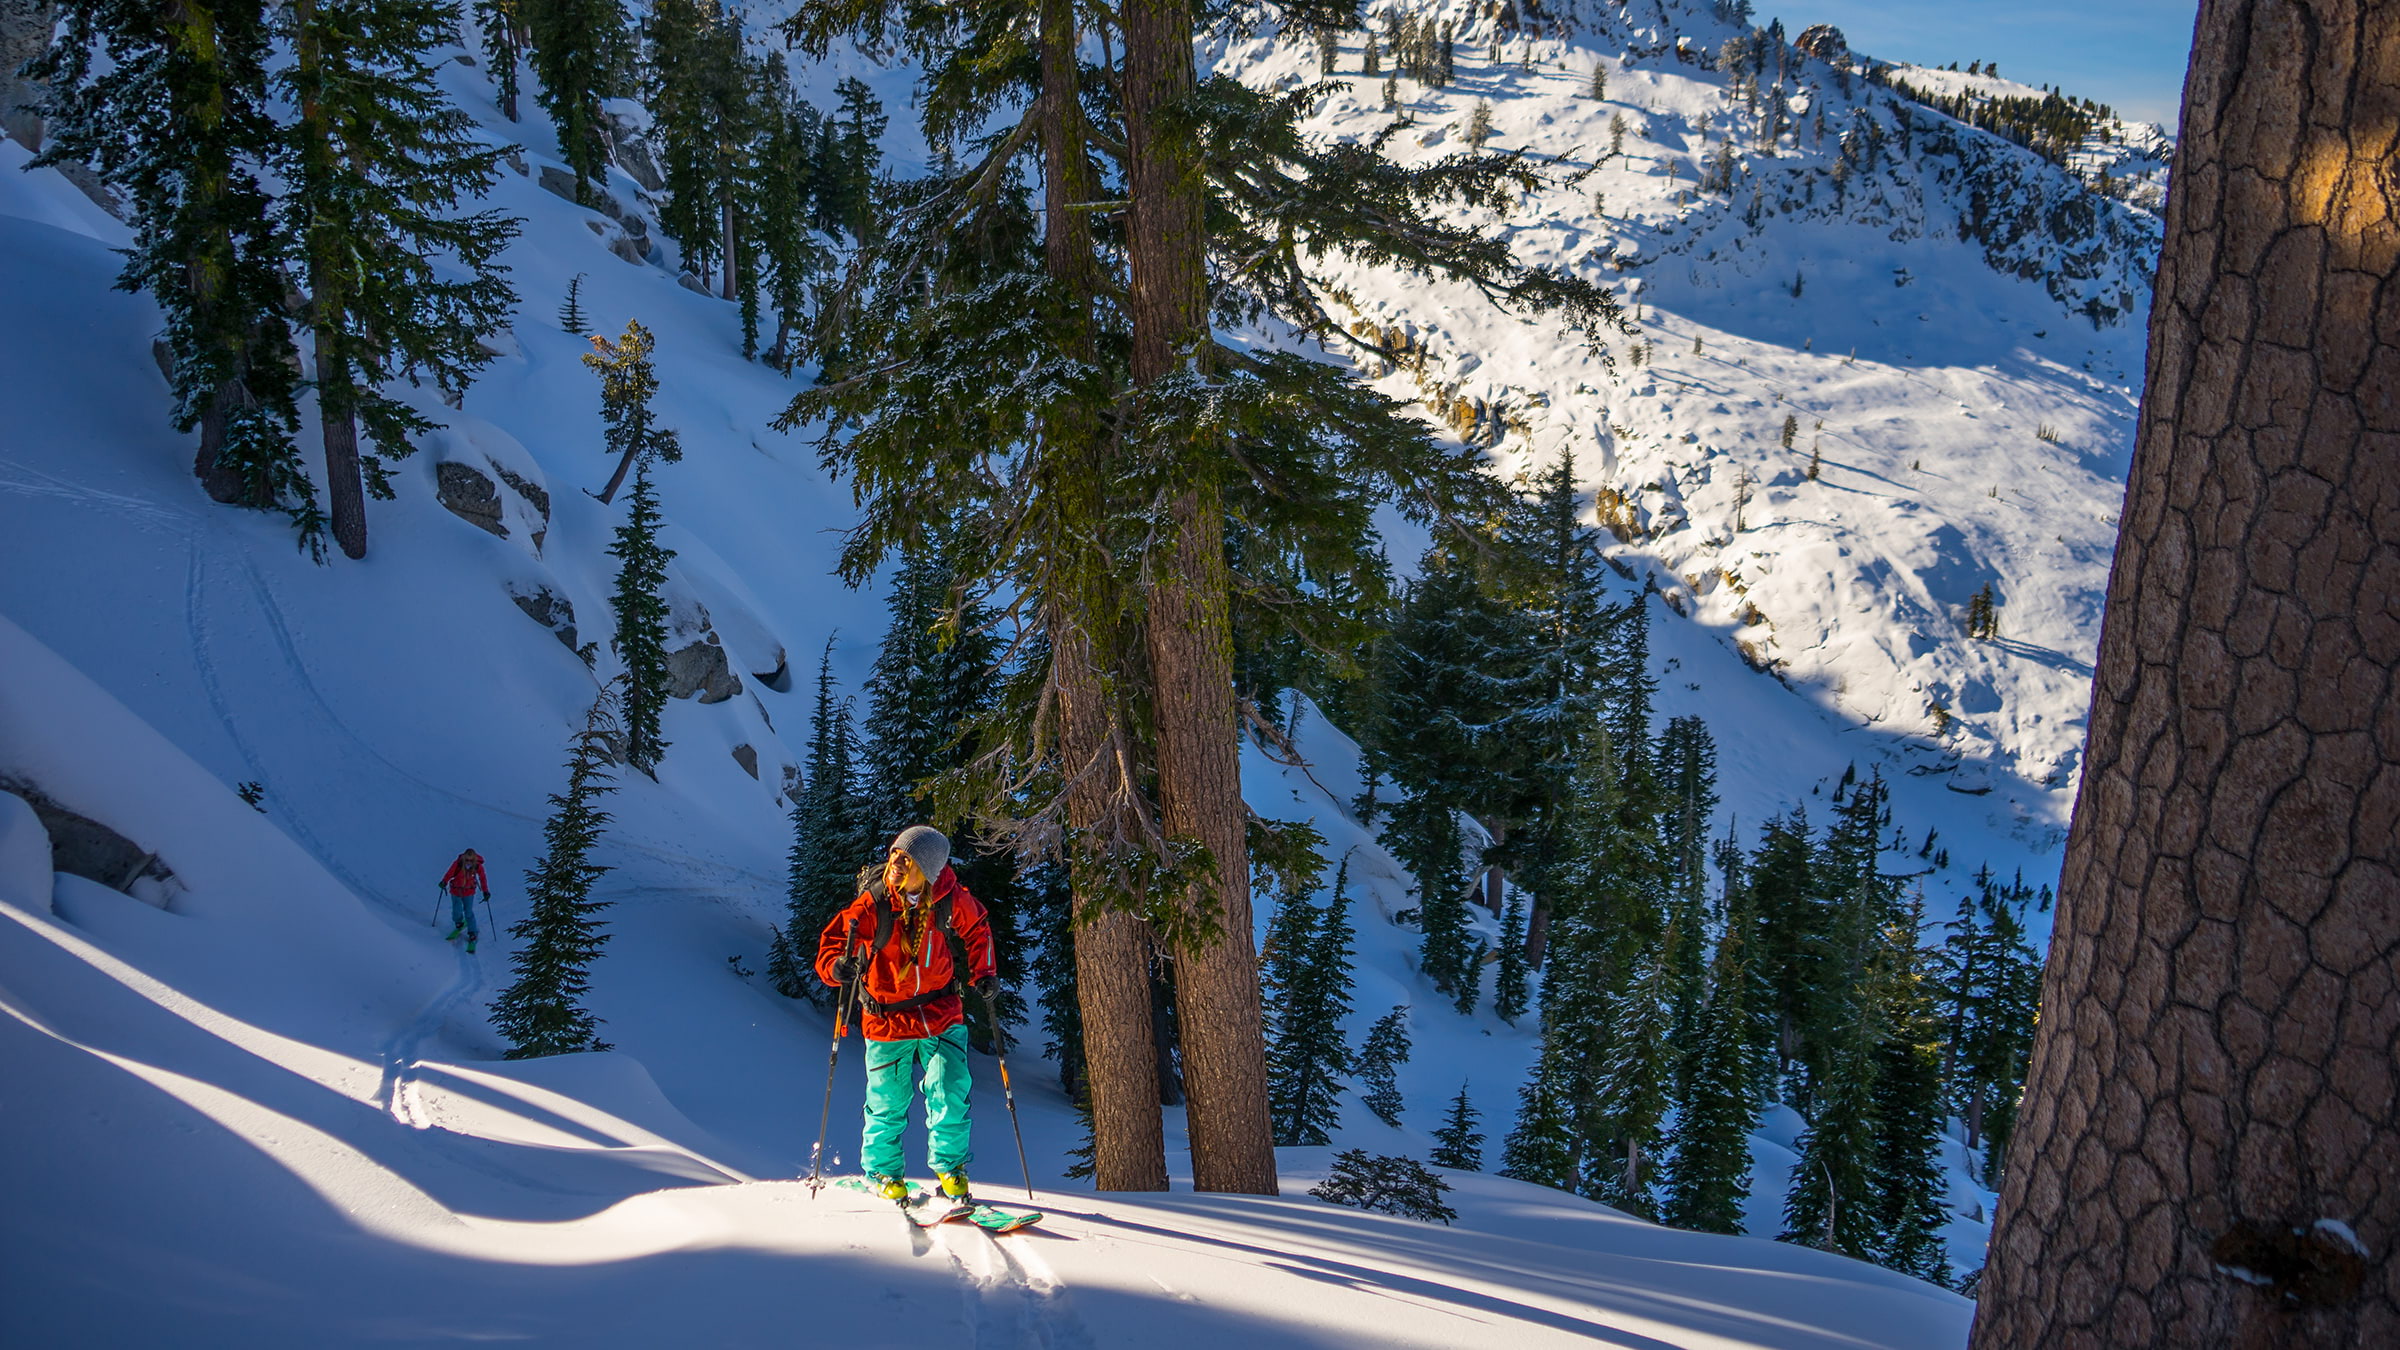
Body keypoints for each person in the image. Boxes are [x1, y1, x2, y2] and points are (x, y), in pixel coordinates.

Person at [816, 825, 997, 1202]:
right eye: (895, 853)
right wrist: (836, 968)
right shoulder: (874, 905)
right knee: (887, 1102)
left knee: (951, 1090)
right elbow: (833, 942)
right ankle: (883, 1172)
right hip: (887, 1019)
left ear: (927, 871)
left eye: (906, 858)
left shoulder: (949, 899)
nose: (895, 862)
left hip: (941, 1011)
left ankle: (950, 1168)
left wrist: (985, 973)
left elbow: (978, 928)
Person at [439, 848, 490, 954]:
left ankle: (472, 932)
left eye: (471, 860)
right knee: (456, 910)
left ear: (474, 859)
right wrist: (444, 881)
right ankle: (458, 922)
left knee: (469, 912)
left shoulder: (478, 866)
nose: (468, 862)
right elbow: (450, 873)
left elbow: (482, 878)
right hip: (456, 890)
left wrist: (485, 891)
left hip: (469, 892)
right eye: (467, 859)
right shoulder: (457, 864)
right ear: (464, 858)